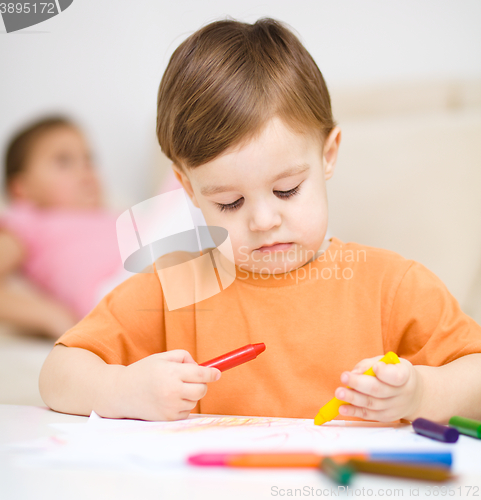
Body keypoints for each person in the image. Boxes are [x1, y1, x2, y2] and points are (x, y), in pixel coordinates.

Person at [39, 18, 481, 423]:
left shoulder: (389, 285)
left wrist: (423, 394)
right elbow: (58, 373)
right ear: (189, 187)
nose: (264, 220)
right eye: (230, 202)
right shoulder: (178, 287)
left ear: (328, 155)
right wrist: (121, 389)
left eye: (286, 190)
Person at [0, 116, 127, 338]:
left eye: (89, 159)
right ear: (22, 189)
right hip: (117, 294)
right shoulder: (29, 220)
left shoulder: (112, 213)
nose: (85, 171)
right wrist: (50, 315)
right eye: (63, 161)